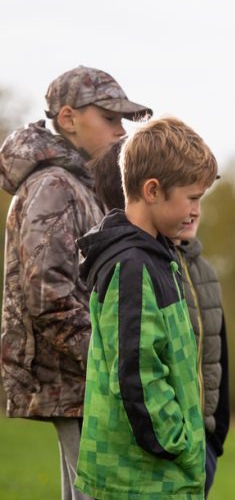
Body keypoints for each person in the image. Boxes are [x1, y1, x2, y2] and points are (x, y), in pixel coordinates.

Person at [0, 66, 151, 500]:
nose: (121, 131)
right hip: (73, 374)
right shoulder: (53, 185)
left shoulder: (77, 182)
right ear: (68, 119)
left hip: (80, 375)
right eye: (109, 118)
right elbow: (48, 293)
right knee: (96, 493)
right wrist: (107, 363)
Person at [74, 117, 218, 500]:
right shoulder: (132, 267)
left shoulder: (159, 256)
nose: (196, 211)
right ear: (152, 190)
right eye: (192, 197)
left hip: (160, 474)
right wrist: (177, 443)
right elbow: (139, 373)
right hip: (142, 478)